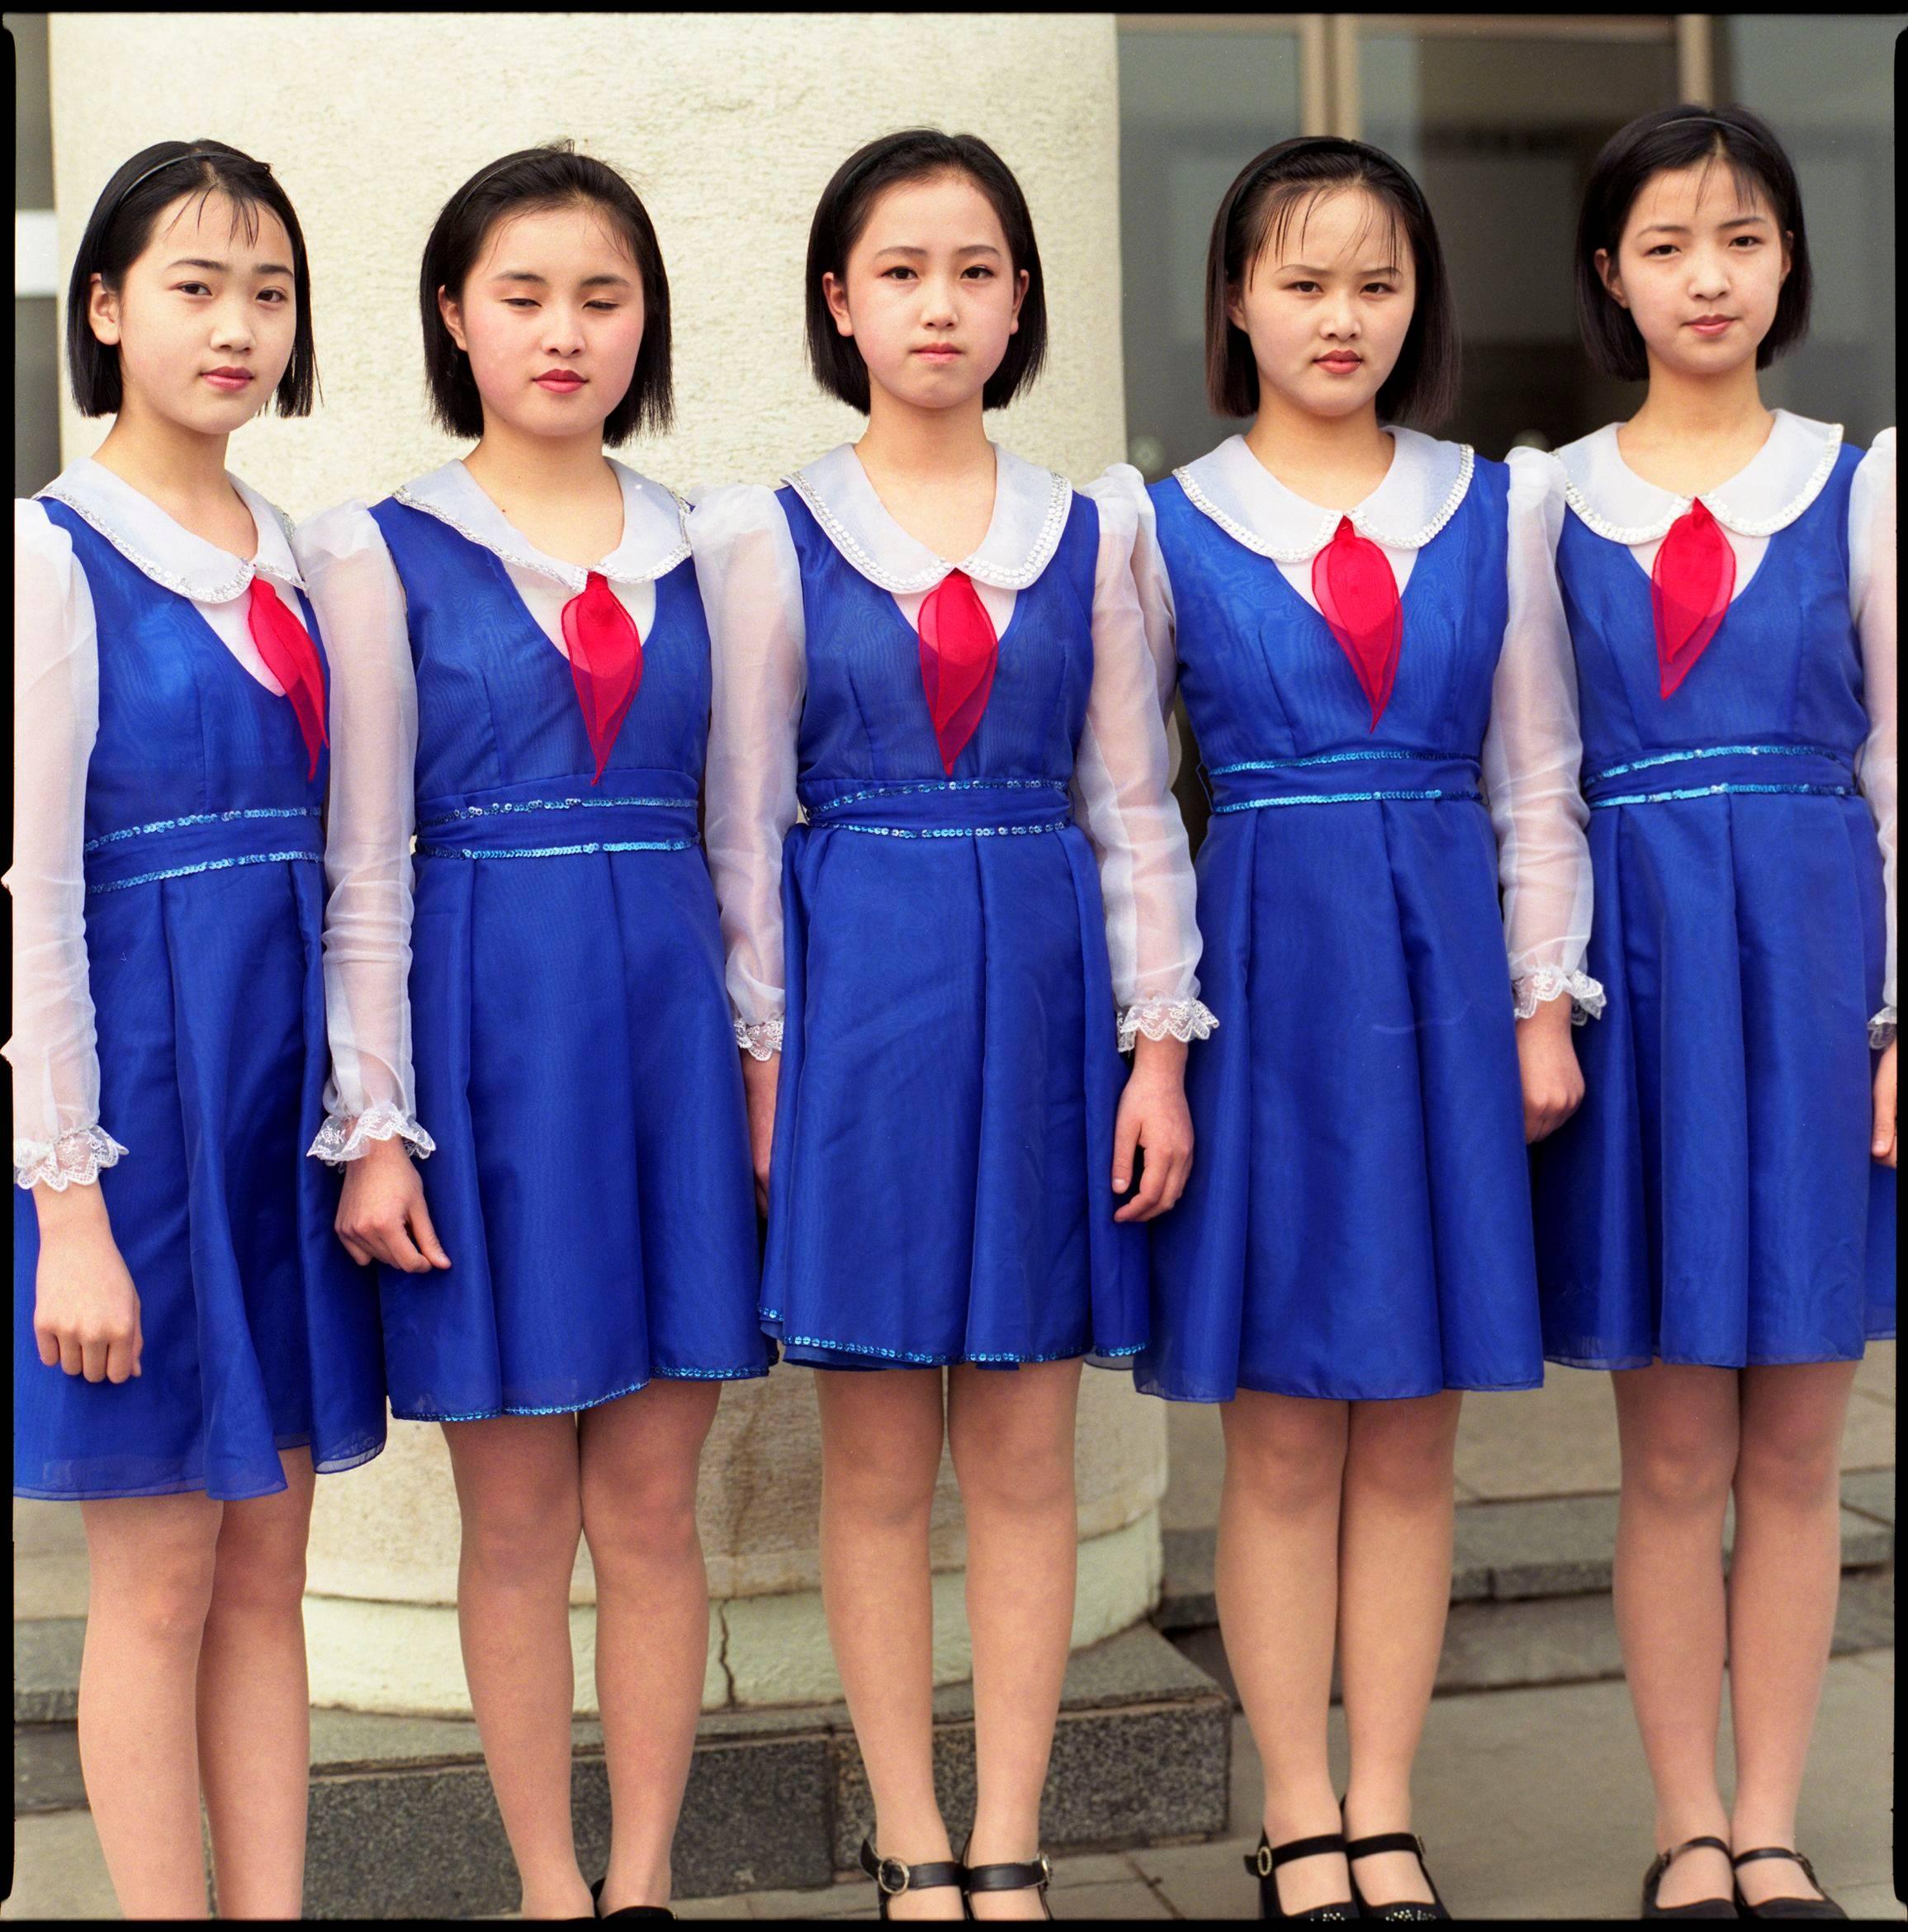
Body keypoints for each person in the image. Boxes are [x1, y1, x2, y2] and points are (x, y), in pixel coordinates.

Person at [689, 128, 1211, 1920]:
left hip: (1053, 992)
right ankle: (911, 1837)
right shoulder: (764, 536)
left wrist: (1160, 1047)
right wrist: (765, 1060)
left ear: (1020, 301)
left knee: (1023, 1446)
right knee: (877, 1452)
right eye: (900, 270)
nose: (939, 302)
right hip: (863, 1015)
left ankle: (1012, 1840)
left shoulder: (1095, 532)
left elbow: (1134, 807)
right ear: (838, 300)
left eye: (975, 268)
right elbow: (743, 828)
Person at [1123, 135, 1598, 1920]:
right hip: (1259, 987)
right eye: (1304, 282)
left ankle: (1385, 1809)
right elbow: (1132, 810)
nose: (1342, 318)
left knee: (1408, 1425)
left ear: (1421, 305)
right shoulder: (1156, 525)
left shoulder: (1501, 505)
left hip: (1439, 996)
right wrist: (1156, 1033)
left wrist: (1540, 1002)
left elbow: (1536, 778)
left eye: (1377, 284)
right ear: (1235, 297)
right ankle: (1297, 1810)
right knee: (1276, 1426)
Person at [297, 144, 768, 1920]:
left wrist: (760, 1065)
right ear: (453, 317)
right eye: (523, 295)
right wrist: (379, 1120)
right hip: (485, 1045)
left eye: (602, 296)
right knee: (515, 1516)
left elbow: (741, 841)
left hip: (662, 1043)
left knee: (651, 1506)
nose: (564, 332)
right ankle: (549, 1891)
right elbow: (363, 865)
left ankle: (643, 1884)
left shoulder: (716, 546)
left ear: (644, 322)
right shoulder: (377, 551)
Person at [1525, 104, 1894, 1921]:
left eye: (1740, 239)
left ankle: (1773, 1821)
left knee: (1802, 1439)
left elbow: (1904, 761)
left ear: (1784, 263)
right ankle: (1683, 1828)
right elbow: (1529, 780)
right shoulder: (1545, 502)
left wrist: (1902, 1021)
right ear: (1609, 273)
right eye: (1666, 245)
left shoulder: (1866, 482)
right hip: (1647, 981)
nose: (1707, 277)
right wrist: (1549, 1001)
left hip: (1819, 978)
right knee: (1671, 1445)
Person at [10, 139, 386, 1917]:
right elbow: (32, 904)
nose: (238, 327)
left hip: (278, 1120)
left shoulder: (301, 556)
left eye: (270, 292)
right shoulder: (49, 559)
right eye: (193, 286)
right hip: (139, 1126)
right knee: (156, 1582)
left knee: (268, 1573)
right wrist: (66, 1210)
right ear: (104, 310)